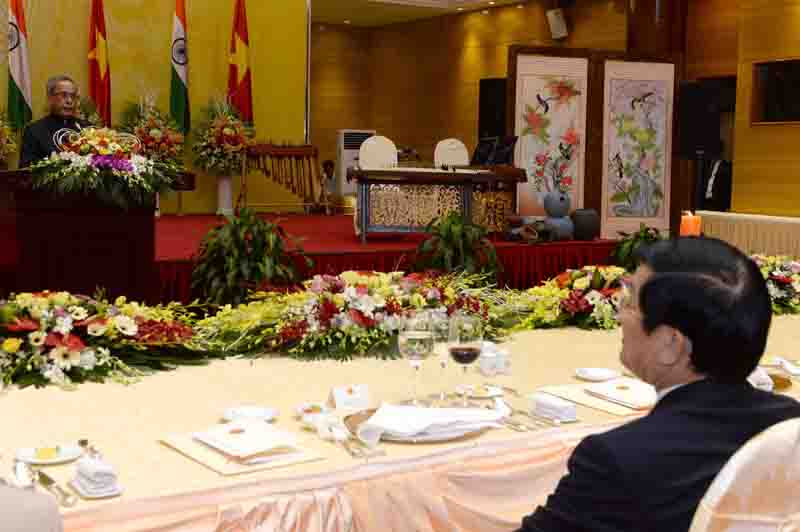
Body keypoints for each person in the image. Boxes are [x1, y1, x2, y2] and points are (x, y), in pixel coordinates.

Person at [517, 237, 800, 532]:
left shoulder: (616, 461)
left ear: (671, 344)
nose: (618, 314)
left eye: (629, 300)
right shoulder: (790, 425)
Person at [19, 75, 89, 168]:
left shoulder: (87, 128)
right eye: (63, 95)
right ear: (50, 98)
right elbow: (26, 170)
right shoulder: (34, 131)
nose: (69, 101)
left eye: (73, 96)